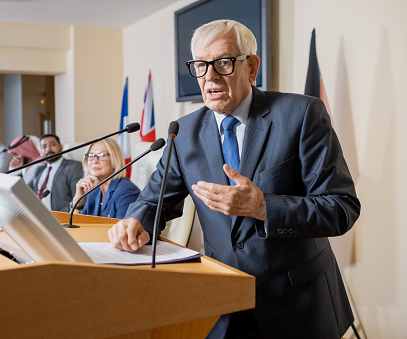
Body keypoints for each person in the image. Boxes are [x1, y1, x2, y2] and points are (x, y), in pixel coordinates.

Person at [108, 19, 360, 339]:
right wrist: (137, 222)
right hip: (224, 308)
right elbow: (153, 201)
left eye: (223, 62)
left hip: (297, 309)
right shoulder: (183, 133)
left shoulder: (302, 114)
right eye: (200, 65)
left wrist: (264, 207)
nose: (209, 76)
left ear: (251, 66)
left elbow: (341, 207)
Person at [70, 138, 140, 219]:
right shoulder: (94, 192)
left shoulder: (127, 191)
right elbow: (76, 226)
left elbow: (123, 230)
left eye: (102, 155)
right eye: (91, 155)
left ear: (115, 159)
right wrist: (77, 200)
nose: (95, 161)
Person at [29, 134, 83, 212]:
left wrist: (55, 217)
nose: (48, 149)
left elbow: (78, 200)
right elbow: (26, 192)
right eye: (44, 147)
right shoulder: (39, 170)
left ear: (61, 147)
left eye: (52, 145)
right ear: (40, 151)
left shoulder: (74, 167)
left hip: (60, 219)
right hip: (37, 216)